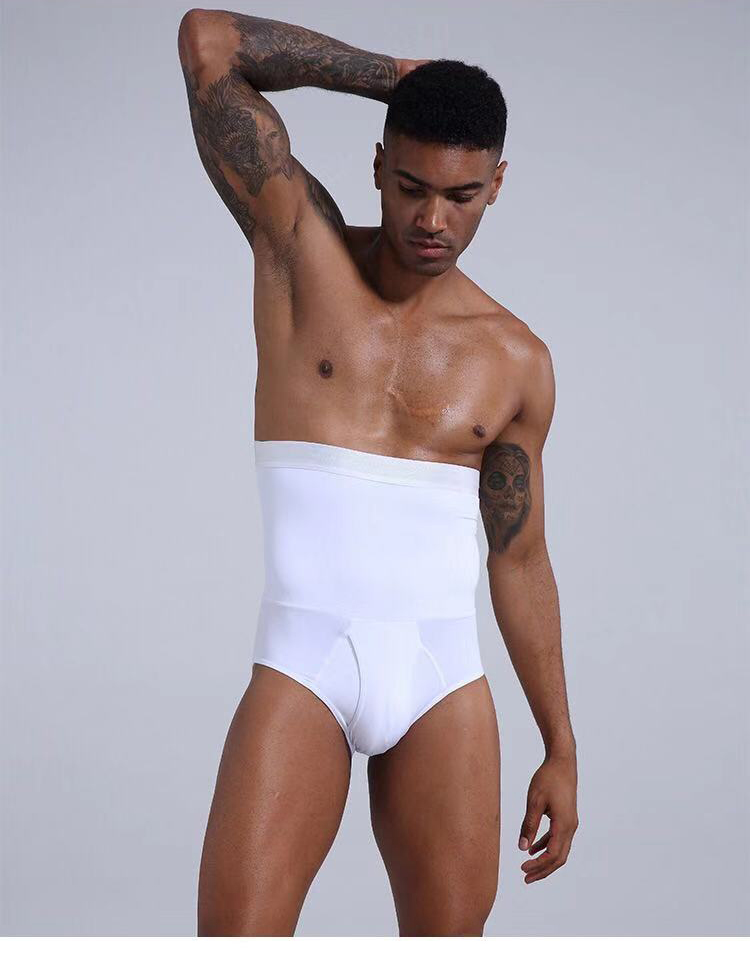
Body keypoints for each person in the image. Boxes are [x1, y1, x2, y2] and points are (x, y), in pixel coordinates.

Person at [177, 7, 578, 937]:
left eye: (462, 196)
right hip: (304, 663)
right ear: (377, 165)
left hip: (443, 680)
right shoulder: (299, 254)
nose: (432, 219)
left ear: (497, 184)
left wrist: (560, 745)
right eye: (410, 187)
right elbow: (208, 42)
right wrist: (393, 75)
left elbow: (519, 559)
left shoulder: (516, 360)